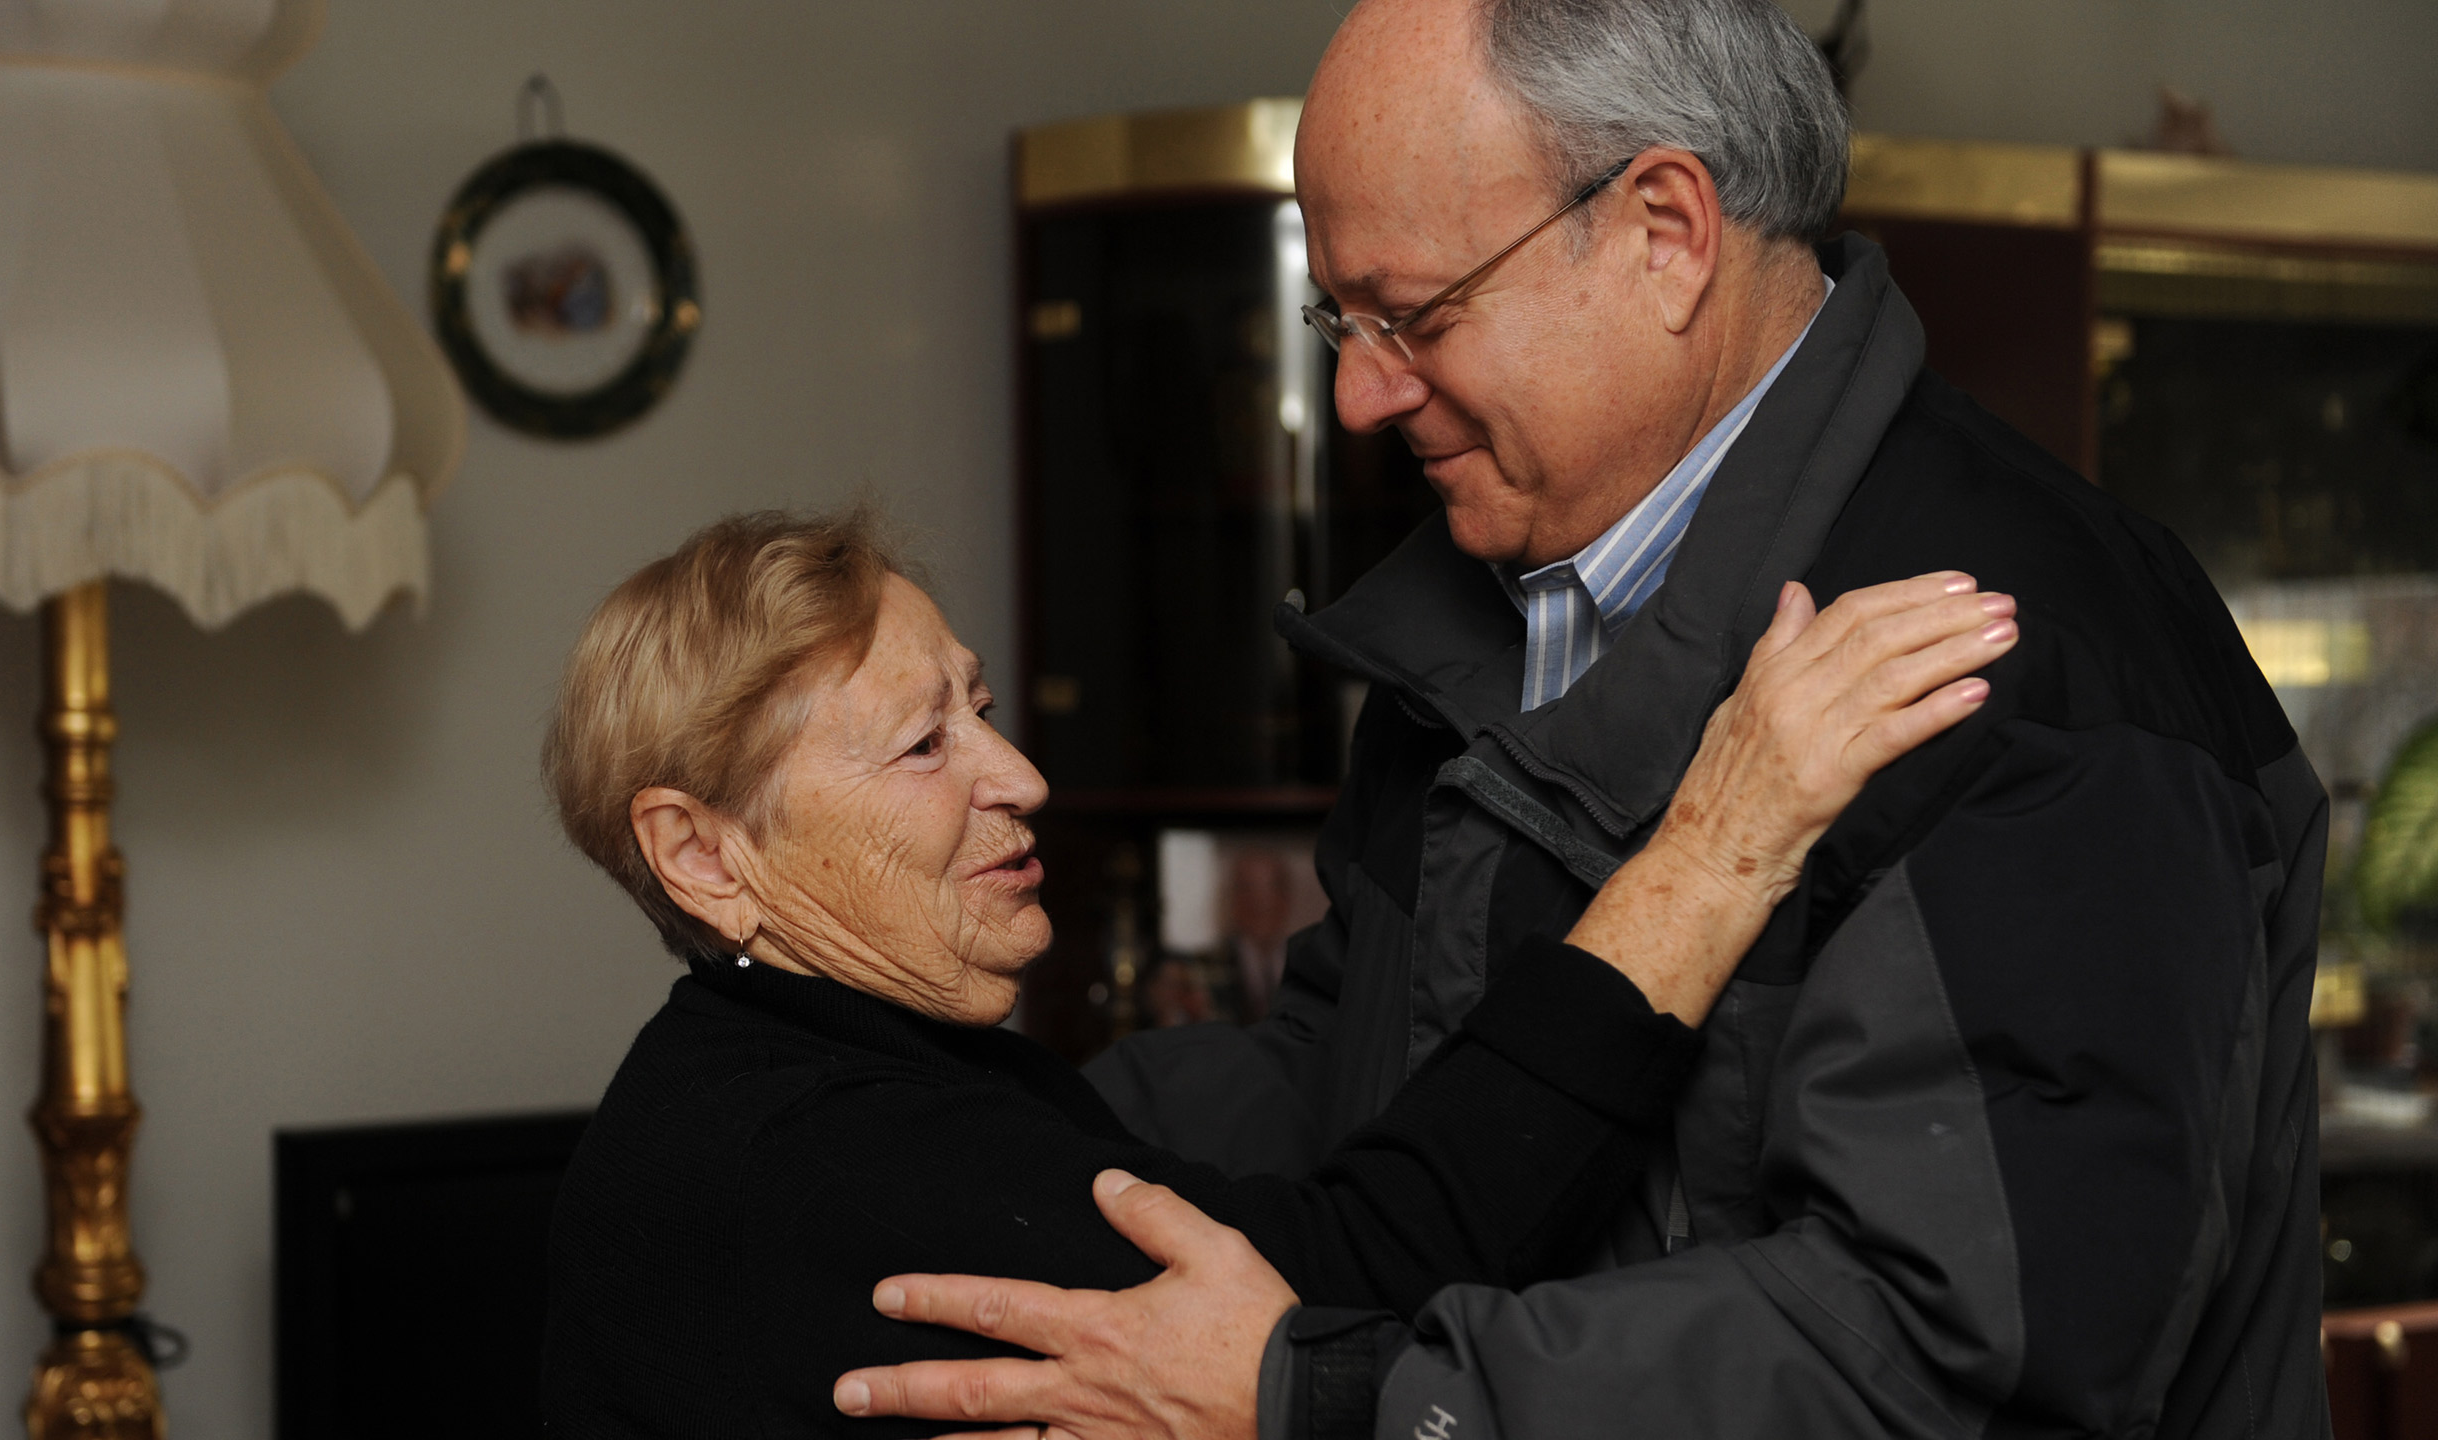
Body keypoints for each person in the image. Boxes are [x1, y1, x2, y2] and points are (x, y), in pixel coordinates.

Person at [832, 1, 2324, 1437]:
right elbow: (1356, 1091)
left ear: (1665, 234)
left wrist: (1346, 1400)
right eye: (1336, 320)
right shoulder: (1498, 598)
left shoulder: (2011, 652)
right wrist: (929, 1128)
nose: (1357, 397)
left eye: (1411, 315)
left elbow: (1952, 1357)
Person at [536, 511, 2016, 1437]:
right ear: (705, 855)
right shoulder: (819, 1159)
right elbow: (1358, 1273)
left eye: (981, 710)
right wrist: (1719, 844)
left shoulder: (827, 1068)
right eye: (927, 746)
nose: (1021, 777)